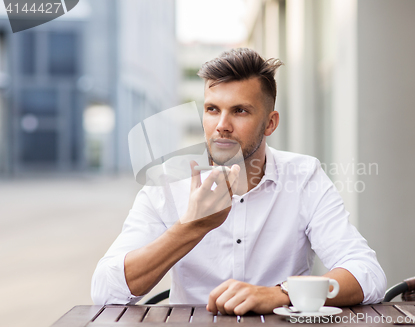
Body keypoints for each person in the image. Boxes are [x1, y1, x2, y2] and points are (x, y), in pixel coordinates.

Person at [91, 48, 386, 315]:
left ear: (270, 123)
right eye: (212, 109)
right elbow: (105, 292)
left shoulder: (304, 176)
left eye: (240, 111)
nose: (222, 125)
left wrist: (279, 295)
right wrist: (191, 228)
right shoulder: (166, 184)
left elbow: (367, 274)